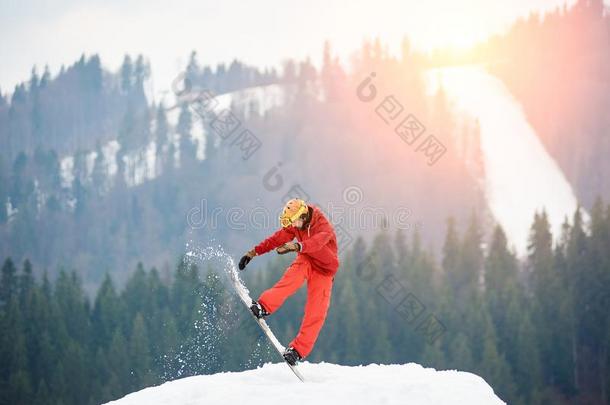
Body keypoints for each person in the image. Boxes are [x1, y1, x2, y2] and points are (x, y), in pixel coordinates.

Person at [238, 198, 339, 365]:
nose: (294, 225)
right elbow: (277, 238)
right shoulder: (296, 222)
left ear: (304, 216)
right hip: (306, 259)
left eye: (295, 222)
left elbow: (317, 242)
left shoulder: (323, 225)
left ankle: (297, 351)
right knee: (289, 280)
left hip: (325, 271)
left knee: (316, 312)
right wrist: (253, 252)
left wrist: (296, 246)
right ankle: (264, 306)